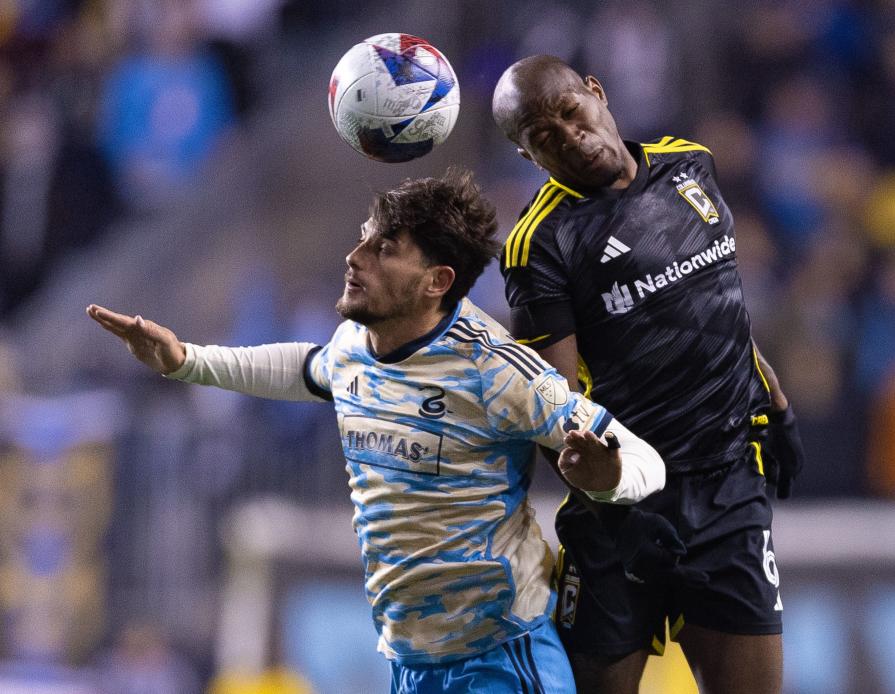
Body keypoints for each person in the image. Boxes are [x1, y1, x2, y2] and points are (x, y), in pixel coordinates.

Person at [87, 169, 669, 694]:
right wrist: (184, 359)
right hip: (410, 665)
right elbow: (305, 368)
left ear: (436, 281)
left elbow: (647, 461)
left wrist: (609, 474)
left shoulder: (494, 370)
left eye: (383, 247)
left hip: (499, 660)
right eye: (365, 237)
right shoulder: (352, 348)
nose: (354, 255)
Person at [491, 56, 806, 694]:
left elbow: (722, 304)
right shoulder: (540, 243)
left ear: (596, 93)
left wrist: (776, 399)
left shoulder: (690, 162)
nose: (569, 136)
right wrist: (616, 495)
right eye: (543, 137)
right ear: (528, 156)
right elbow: (553, 409)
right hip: (621, 517)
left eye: (570, 113)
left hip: (728, 494)